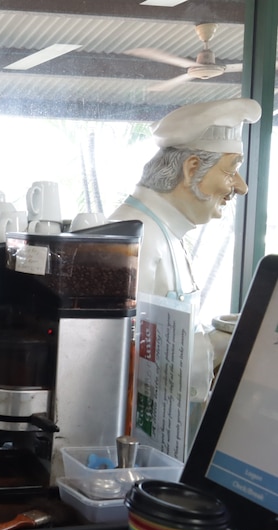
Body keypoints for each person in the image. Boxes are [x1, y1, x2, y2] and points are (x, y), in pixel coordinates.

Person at [108, 98, 261, 441]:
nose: (240, 185)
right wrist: (224, 342)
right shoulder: (138, 238)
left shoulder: (166, 231)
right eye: (230, 169)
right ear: (192, 168)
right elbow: (132, 362)